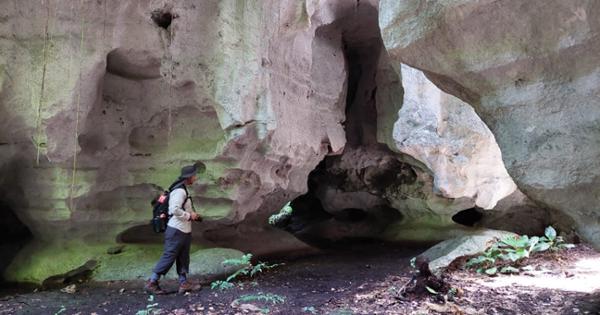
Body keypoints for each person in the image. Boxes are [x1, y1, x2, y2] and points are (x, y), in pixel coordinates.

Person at [145, 163, 204, 294]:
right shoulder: (179, 191)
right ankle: (152, 282)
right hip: (176, 230)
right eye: (194, 175)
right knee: (169, 256)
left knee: (183, 256)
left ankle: (184, 283)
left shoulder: (182, 189)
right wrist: (190, 216)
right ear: (189, 177)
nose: (196, 177)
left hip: (183, 230)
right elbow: (174, 210)